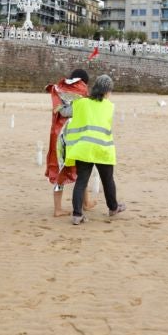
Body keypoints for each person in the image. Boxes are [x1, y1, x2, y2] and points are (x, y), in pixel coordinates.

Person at [64, 74, 126, 225]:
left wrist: (59, 106)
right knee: (108, 180)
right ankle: (113, 208)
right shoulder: (110, 106)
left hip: (84, 148)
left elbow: (65, 112)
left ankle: (77, 215)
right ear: (107, 92)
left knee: (81, 182)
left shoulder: (81, 103)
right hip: (102, 148)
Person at [45, 68, 96, 217]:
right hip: (75, 133)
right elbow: (83, 110)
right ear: (83, 81)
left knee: (59, 168)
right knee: (83, 167)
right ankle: (85, 203)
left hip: (58, 134)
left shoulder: (58, 88)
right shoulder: (83, 90)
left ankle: (58, 208)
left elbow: (59, 110)